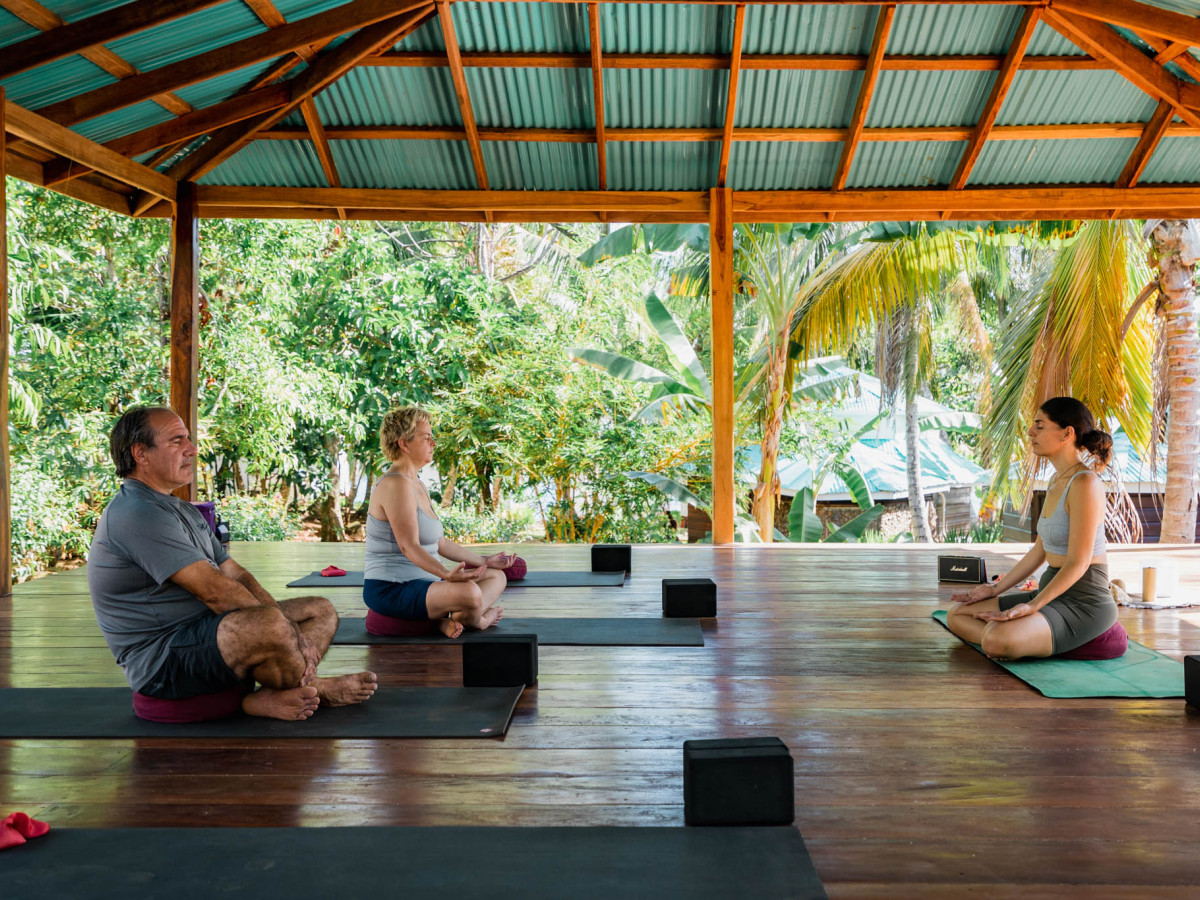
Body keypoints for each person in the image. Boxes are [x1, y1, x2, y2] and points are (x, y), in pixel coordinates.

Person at [88, 406, 377, 721]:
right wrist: (288, 631)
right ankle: (316, 687)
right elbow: (215, 591)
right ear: (140, 453)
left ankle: (272, 695)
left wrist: (288, 627)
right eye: (176, 441)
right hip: (164, 660)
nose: (192, 449)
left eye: (188, 439)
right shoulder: (136, 512)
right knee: (271, 624)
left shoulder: (179, 509)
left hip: (206, 631)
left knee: (320, 610)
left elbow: (234, 572)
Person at [946, 397, 1117, 660]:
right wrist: (994, 590)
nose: (1030, 432)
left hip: (1084, 603)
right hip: (1051, 591)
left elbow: (1079, 563)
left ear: (1066, 433)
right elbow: (1040, 550)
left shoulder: (1085, 484)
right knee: (957, 615)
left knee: (995, 638)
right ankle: (1024, 640)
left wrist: (1033, 605)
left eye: (1039, 425)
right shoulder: (1055, 480)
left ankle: (1024, 640)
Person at [364, 407, 512, 639]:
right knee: (470, 594)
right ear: (404, 444)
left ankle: (449, 620)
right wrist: (446, 574)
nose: (433, 443)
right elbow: (408, 546)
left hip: (426, 585)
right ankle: (479, 621)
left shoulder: (417, 484)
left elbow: (440, 542)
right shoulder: (395, 484)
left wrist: (485, 561)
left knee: (496, 576)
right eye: (426, 437)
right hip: (393, 587)